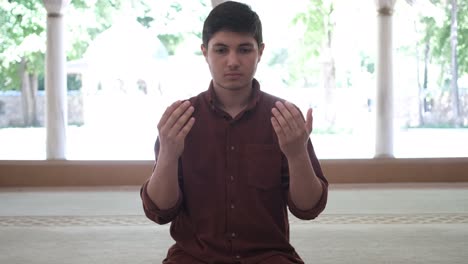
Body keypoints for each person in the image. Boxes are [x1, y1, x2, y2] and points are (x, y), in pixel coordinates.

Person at [140, 1, 328, 263]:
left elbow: (308, 208)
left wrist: (297, 154)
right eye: (221, 49)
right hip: (195, 256)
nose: (232, 61)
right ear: (205, 52)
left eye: (244, 49)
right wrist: (169, 154)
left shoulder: (283, 117)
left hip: (267, 256)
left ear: (260, 52)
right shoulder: (181, 119)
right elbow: (160, 210)